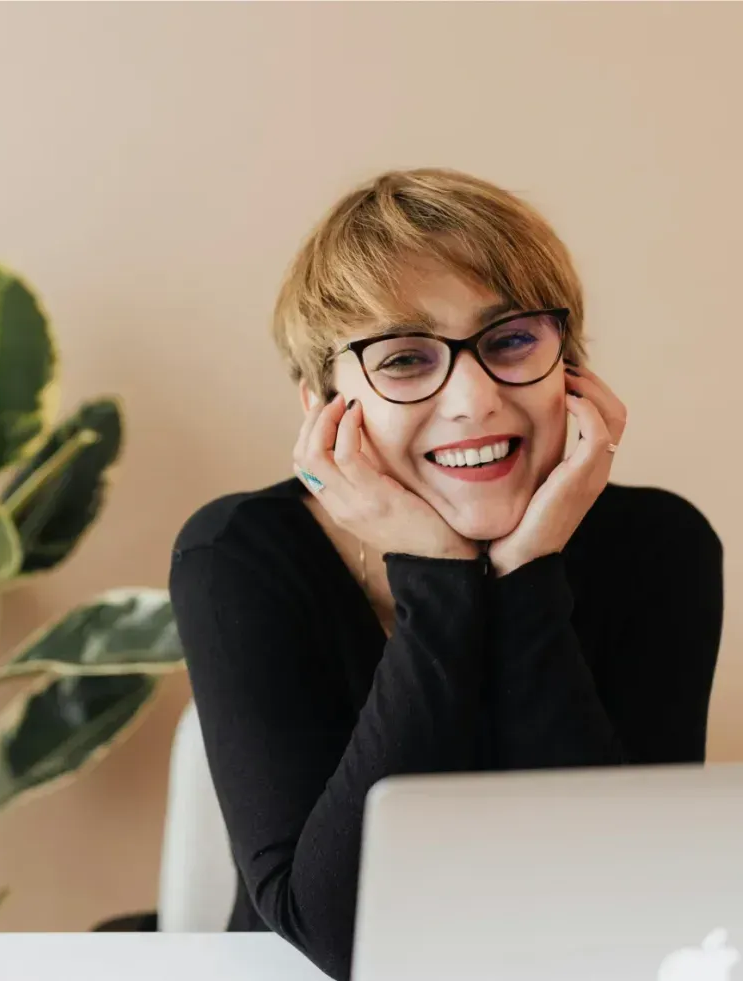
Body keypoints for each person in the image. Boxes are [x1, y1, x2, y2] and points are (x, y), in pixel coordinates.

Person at [168, 168, 723, 981]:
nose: (473, 399)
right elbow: (337, 936)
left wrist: (528, 571)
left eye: (509, 341)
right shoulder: (238, 555)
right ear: (325, 404)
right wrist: (436, 577)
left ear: (570, 365)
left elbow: (624, 893)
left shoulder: (660, 545)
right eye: (403, 359)